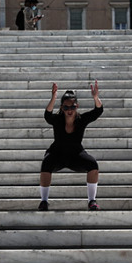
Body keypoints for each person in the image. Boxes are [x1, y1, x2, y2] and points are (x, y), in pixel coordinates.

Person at [38, 80, 103, 211]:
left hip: (76, 154)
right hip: (57, 153)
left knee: (93, 165)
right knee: (46, 164)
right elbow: (47, 115)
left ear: (77, 106)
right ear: (62, 108)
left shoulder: (81, 119)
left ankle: (92, 201)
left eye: (72, 107)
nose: (69, 110)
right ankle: (44, 201)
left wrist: (96, 97)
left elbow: (98, 111)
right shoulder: (57, 120)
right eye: (66, 107)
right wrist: (53, 98)